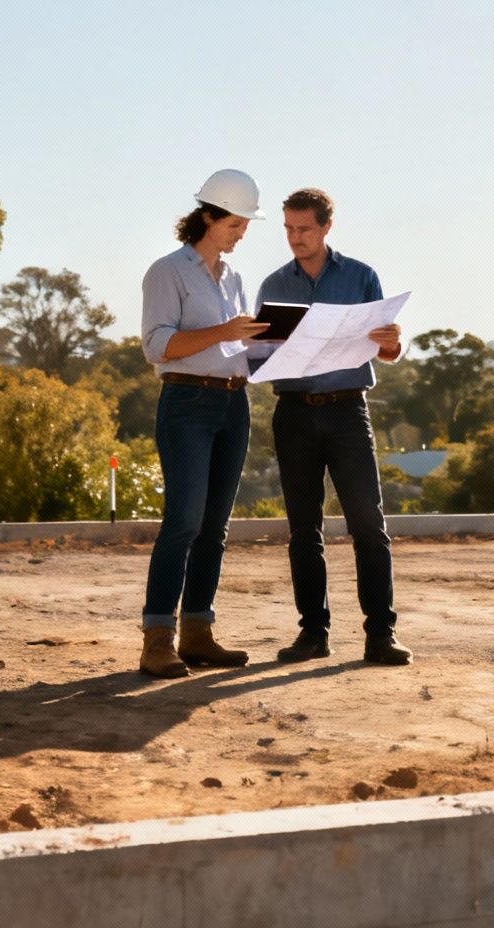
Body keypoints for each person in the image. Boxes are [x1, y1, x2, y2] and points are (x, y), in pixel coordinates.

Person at [254, 187, 411, 666]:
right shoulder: (273, 285)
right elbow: (259, 358)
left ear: (325, 227)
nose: (294, 237)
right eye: (287, 228)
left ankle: (380, 634)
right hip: (294, 413)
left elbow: (386, 351)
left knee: (368, 524)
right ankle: (313, 634)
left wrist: (390, 342)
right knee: (304, 529)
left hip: (348, 412)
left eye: (303, 228)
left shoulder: (361, 277)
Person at [135, 168, 270, 678]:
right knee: (184, 521)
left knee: (215, 527)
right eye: (236, 224)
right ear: (208, 217)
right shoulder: (166, 272)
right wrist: (223, 331)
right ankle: (156, 639)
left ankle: (197, 632)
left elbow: (232, 345)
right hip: (187, 404)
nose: (242, 233)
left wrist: (263, 344)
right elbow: (157, 346)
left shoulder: (232, 278)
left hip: (235, 405)